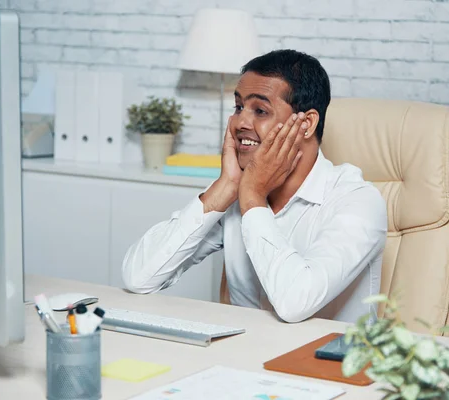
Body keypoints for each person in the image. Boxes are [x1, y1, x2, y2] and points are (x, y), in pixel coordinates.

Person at [122, 49, 387, 323]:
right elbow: (139, 277)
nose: (240, 123)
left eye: (260, 110)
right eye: (238, 108)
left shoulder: (358, 201)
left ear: (306, 124)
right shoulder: (237, 189)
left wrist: (253, 197)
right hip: (240, 356)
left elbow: (295, 303)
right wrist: (225, 187)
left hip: (321, 363)